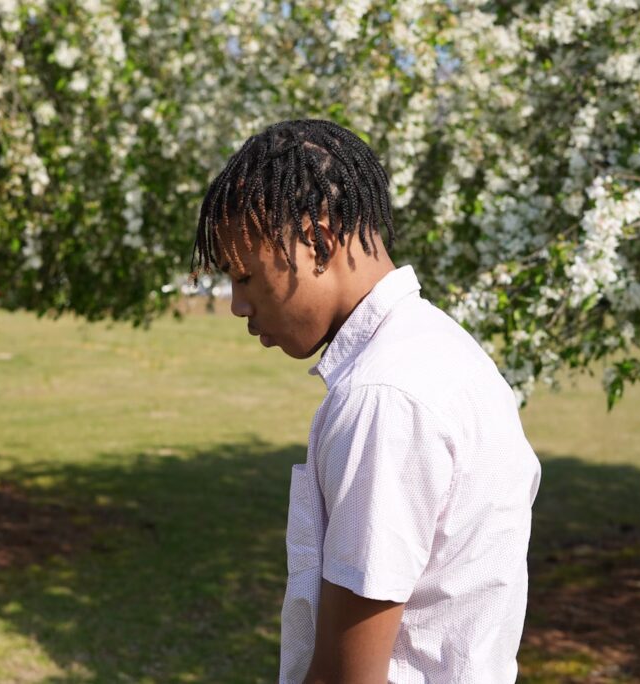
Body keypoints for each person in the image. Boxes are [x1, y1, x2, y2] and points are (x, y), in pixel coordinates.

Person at [191, 119, 542, 683]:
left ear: (318, 243)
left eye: (245, 276)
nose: (238, 305)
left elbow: (347, 676)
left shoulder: (382, 398)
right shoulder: (441, 348)